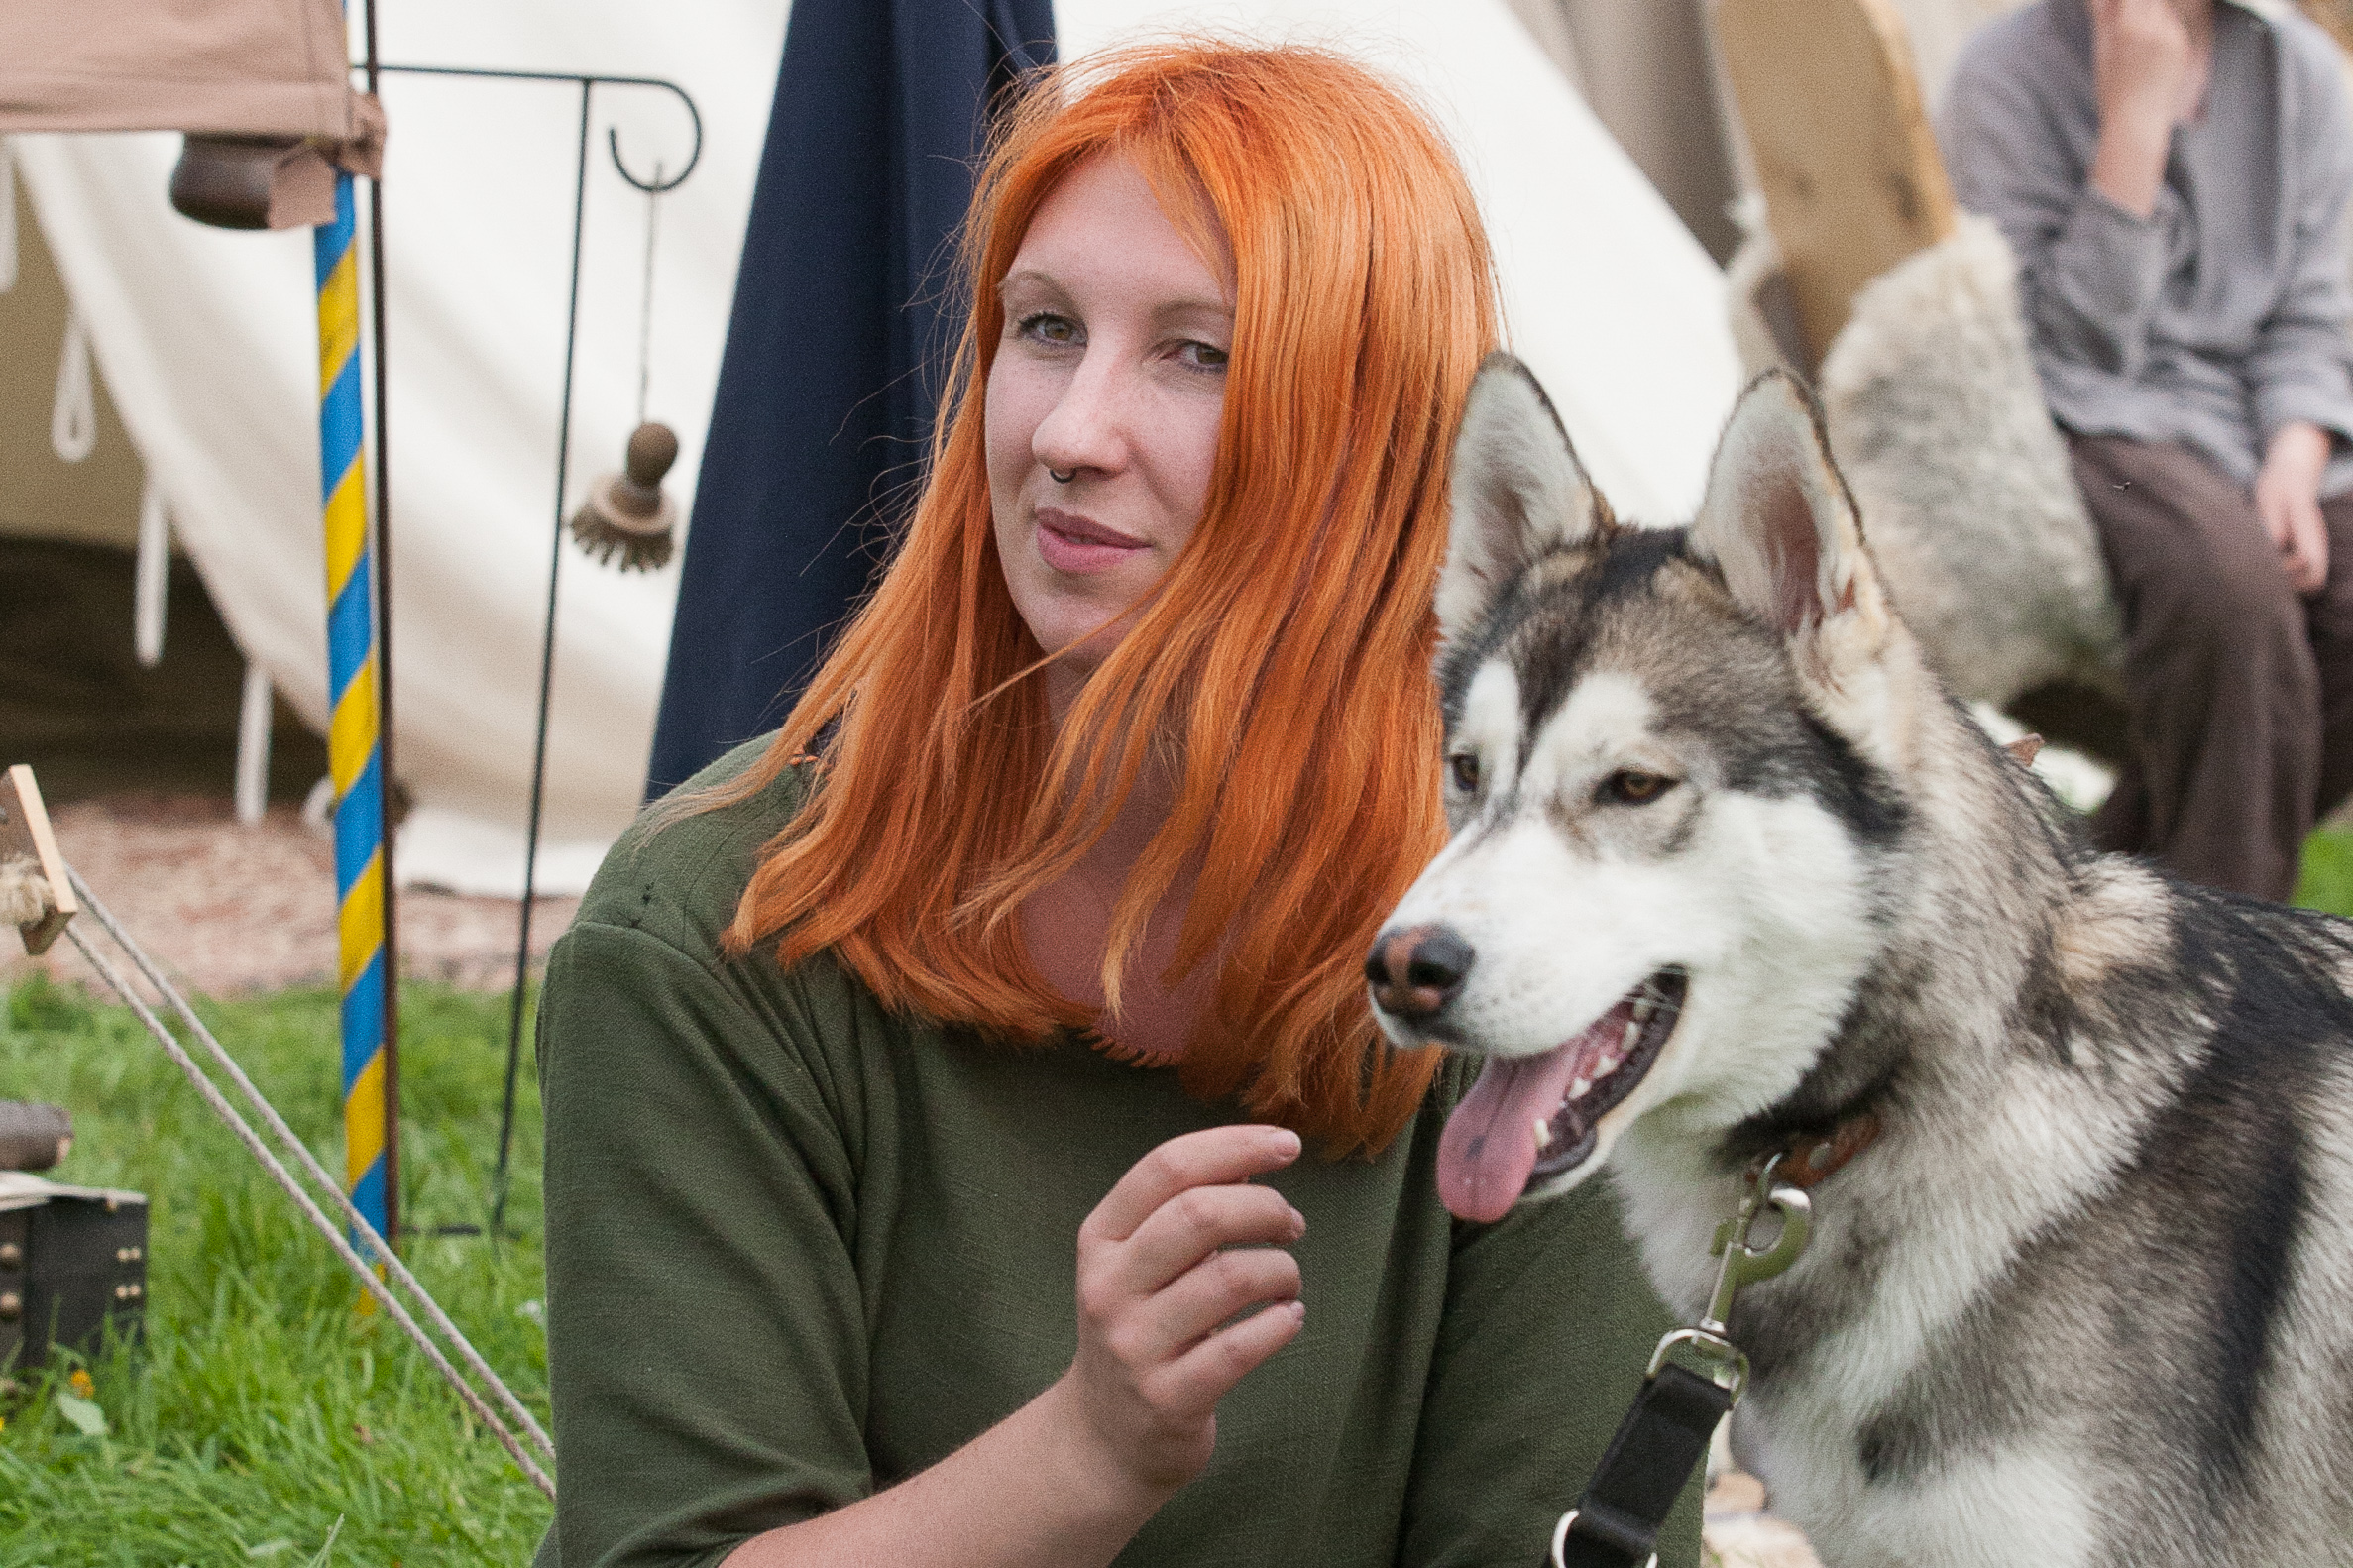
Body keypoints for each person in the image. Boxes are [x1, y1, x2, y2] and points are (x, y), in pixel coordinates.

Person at [531, 41, 1699, 1568]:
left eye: (1193, 353)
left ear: (1376, 445)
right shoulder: (708, 932)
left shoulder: (1556, 951)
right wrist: (1087, 1453)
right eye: (1044, 328)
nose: (1069, 432)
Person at [1944, 0, 2353, 901]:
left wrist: (2295, 453)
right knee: (2230, 587)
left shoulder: (2302, 72)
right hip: (2096, 420)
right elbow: (2067, 351)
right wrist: (2134, 120)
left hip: (2255, 423)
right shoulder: (2003, 76)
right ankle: (2220, 962)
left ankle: (2107, 900)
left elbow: (2314, 315)